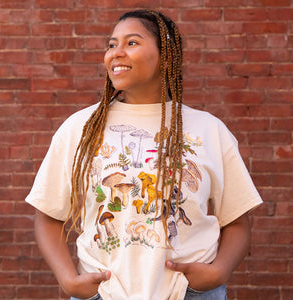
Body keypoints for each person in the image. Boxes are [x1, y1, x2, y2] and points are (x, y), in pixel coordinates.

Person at [25, 9, 262, 300]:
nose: (116, 53)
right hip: (105, 293)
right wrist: (68, 279)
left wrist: (219, 272)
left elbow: (237, 220)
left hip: (189, 293)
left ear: (165, 56)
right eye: (112, 45)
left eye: (131, 43)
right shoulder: (80, 128)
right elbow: (48, 215)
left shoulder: (209, 130)